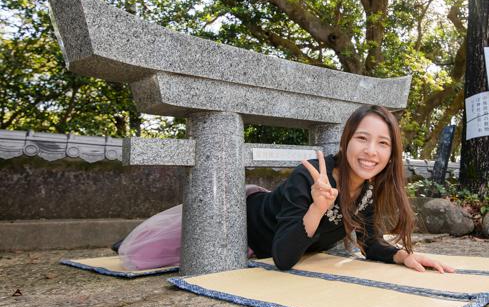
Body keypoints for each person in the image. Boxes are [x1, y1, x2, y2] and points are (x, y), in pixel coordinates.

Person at [117, 105, 453, 273]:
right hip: (243, 222)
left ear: (392, 153)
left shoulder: (368, 188)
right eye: (362, 138)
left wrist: (403, 256)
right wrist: (317, 208)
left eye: (383, 143)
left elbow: (370, 243)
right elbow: (283, 259)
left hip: (271, 234)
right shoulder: (308, 178)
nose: (371, 152)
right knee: (151, 251)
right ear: (346, 139)